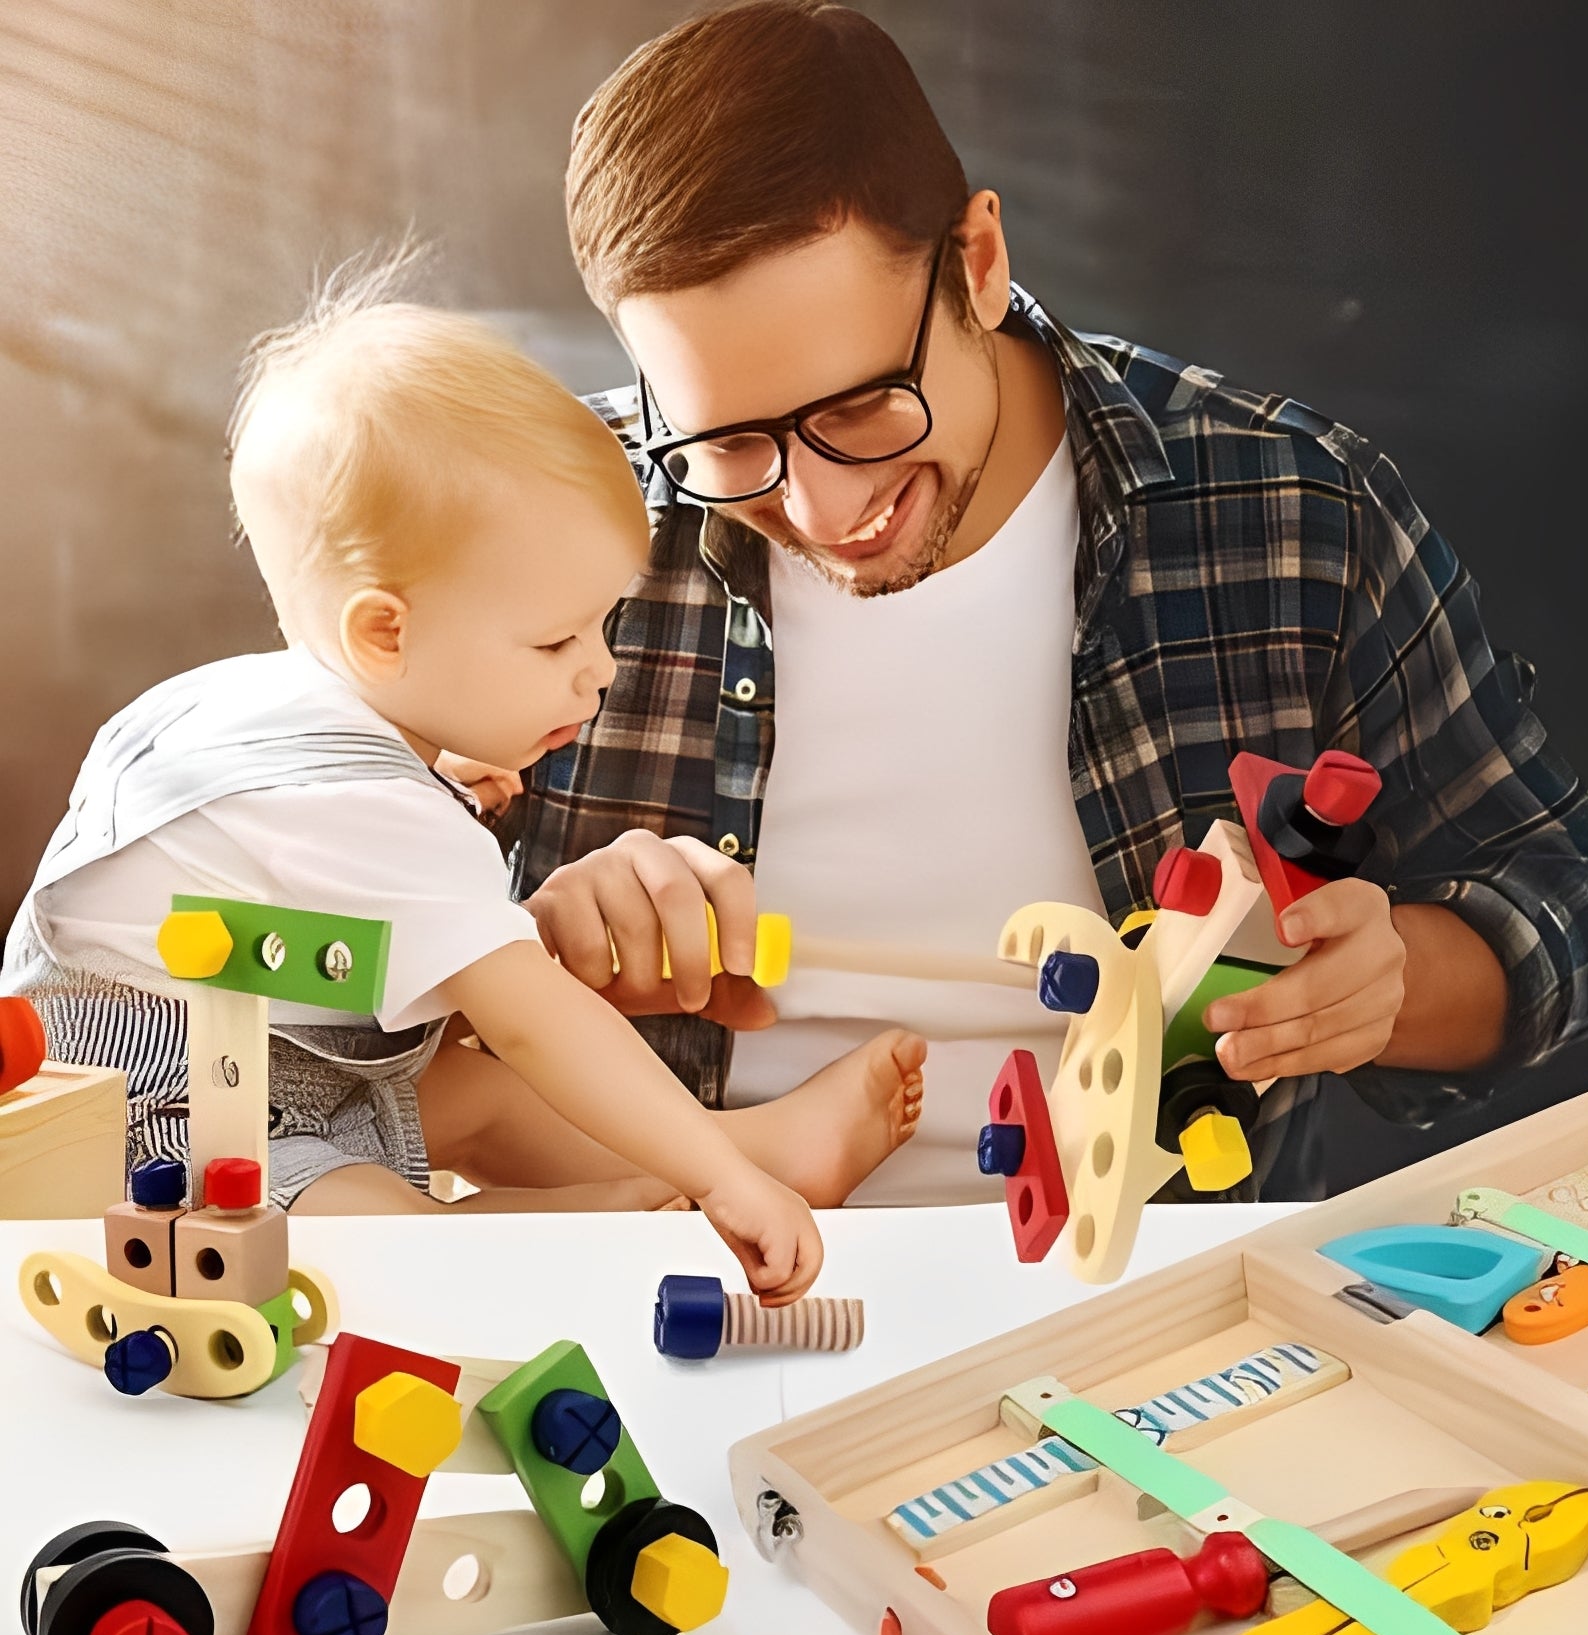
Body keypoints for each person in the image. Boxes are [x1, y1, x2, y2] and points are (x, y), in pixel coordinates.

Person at [504, 0, 1588, 1205]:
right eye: (729, 443)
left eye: (860, 408)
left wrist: (1390, 981)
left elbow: (1579, 905)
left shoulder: (1290, 511)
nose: (821, 506)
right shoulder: (531, 525)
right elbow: (364, 989)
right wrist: (514, 946)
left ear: (980, 263)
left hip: (1151, 1291)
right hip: (667, 1266)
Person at [1, 263, 928, 1299]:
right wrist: (721, 1184)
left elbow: (263, 874)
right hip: (146, 1136)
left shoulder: (224, 708)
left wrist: (431, 765)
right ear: (384, 633)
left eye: (605, 625)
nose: (600, 669)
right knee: (373, 1243)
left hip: (262, 1064)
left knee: (469, 1094)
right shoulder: (378, 815)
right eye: (554, 641)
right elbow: (537, 1020)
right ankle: (661, 1197)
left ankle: (751, 1148)